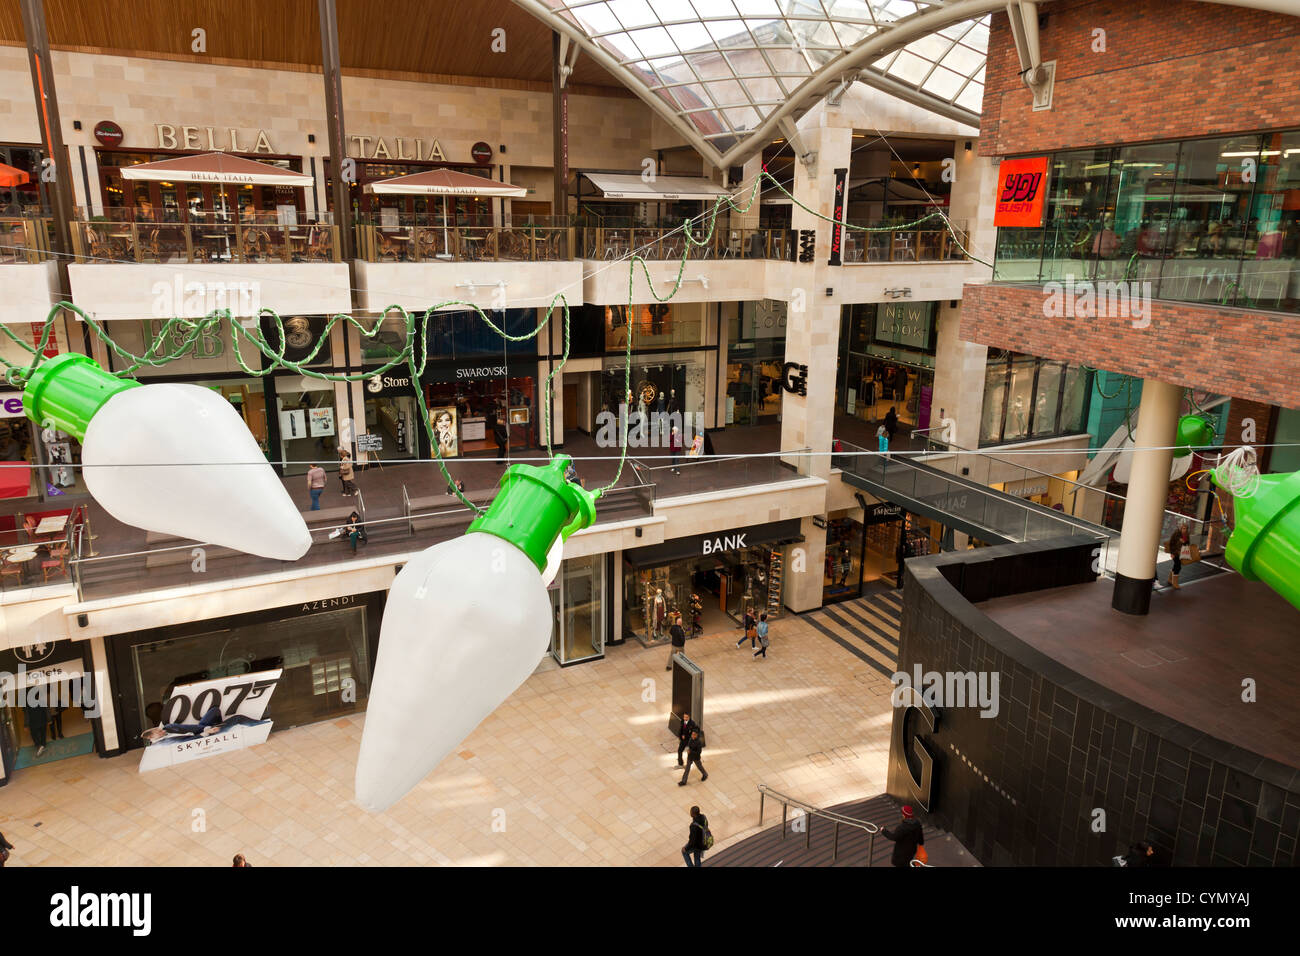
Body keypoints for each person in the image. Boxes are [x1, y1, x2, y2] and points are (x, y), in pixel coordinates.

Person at [1166, 524, 1187, 590]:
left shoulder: (1186, 534)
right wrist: (1172, 553)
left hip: (1181, 552)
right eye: (1183, 528)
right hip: (1175, 552)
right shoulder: (1176, 534)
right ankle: (1175, 583)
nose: (1184, 530)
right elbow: (1171, 544)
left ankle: (1170, 579)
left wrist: (1184, 542)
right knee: (1178, 566)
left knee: (1176, 565)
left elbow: (1187, 543)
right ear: (1180, 528)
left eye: (1186, 528)